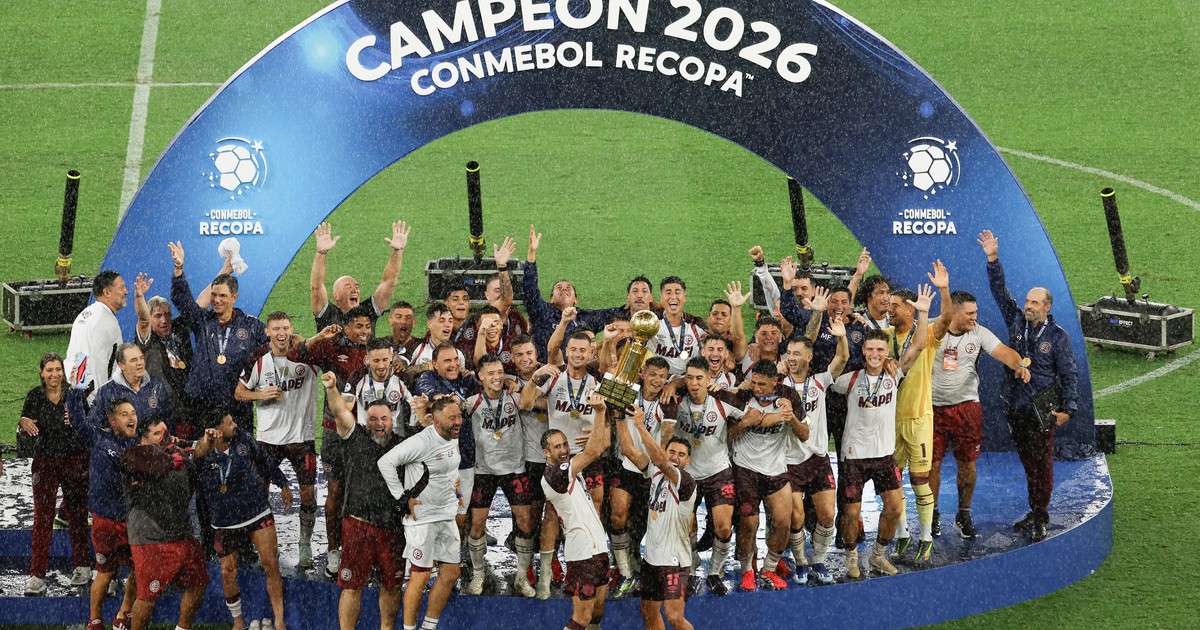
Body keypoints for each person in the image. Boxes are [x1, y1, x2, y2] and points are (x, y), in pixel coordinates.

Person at [979, 229, 1078, 541]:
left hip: (1041, 410)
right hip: (1016, 406)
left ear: (1047, 307)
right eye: (1027, 301)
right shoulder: (1017, 321)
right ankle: (1035, 510)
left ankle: (1041, 515)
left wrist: (1069, 409)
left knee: (1042, 464)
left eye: (1035, 302)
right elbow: (1000, 291)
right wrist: (993, 260)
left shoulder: (1058, 337)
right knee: (1028, 463)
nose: (1029, 306)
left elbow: (1069, 375)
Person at [830, 286, 932, 579]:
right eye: (870, 350)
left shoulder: (894, 373)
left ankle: (877, 555)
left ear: (887, 352)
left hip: (884, 455)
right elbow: (832, 370)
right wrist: (841, 338)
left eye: (880, 350)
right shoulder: (849, 380)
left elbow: (918, 345)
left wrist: (923, 313)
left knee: (895, 507)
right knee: (851, 513)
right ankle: (851, 557)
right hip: (854, 457)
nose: (875, 354)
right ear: (863, 351)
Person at [930, 290, 1030, 539]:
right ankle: (931, 514)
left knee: (968, 464)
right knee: (931, 465)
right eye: (970, 313)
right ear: (953, 313)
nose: (975, 317)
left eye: (976, 312)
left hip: (966, 408)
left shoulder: (979, 333)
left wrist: (1019, 364)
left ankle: (963, 514)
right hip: (930, 409)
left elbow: (1004, 352)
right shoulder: (932, 328)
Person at [286, 305, 374, 578]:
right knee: (335, 491)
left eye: (368, 326)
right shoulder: (331, 348)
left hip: (366, 433)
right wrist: (319, 337)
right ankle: (334, 550)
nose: (364, 331)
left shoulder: (375, 352)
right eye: (358, 326)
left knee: (365, 493)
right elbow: (294, 355)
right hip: (335, 432)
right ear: (346, 327)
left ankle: (360, 549)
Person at [322, 371, 411, 630]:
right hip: (358, 527)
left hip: (393, 529)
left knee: (392, 586)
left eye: (384, 418)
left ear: (392, 420)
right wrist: (331, 388)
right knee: (352, 587)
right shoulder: (355, 436)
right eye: (373, 419)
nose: (379, 424)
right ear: (365, 420)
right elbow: (339, 411)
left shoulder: (405, 446)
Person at [519, 331, 603, 598]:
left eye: (583, 350)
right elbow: (525, 402)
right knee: (553, 514)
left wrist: (599, 432)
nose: (578, 354)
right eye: (573, 349)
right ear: (566, 351)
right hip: (561, 457)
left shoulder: (599, 381)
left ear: (592, 353)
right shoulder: (553, 377)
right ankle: (546, 574)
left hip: (588, 455)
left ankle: (584, 565)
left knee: (593, 510)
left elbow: (612, 417)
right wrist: (534, 378)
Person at [236, 311, 321, 567]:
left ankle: (304, 545)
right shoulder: (258, 359)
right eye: (276, 329)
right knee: (260, 493)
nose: (281, 333)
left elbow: (327, 358)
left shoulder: (307, 356)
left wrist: (308, 340)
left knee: (308, 493)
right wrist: (260, 395)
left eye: (285, 328)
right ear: (267, 332)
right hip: (268, 439)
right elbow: (239, 392)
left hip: (301, 438)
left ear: (291, 329)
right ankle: (266, 546)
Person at [193, 410, 292, 630]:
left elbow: (264, 461)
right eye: (229, 423)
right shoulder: (204, 451)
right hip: (225, 520)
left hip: (256, 511)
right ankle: (238, 623)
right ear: (218, 430)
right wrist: (206, 442)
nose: (235, 425)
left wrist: (283, 483)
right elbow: (197, 454)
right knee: (228, 571)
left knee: (271, 563)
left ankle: (279, 621)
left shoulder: (243, 439)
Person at [662, 356, 751, 596]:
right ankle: (691, 570)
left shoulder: (723, 399)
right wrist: (673, 383)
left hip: (718, 471)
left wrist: (734, 430)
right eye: (689, 378)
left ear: (708, 378)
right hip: (687, 474)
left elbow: (751, 414)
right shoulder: (675, 400)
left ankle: (714, 572)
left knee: (723, 528)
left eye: (699, 378)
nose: (694, 383)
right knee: (685, 527)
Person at [885, 263, 954, 564]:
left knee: (919, 480)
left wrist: (944, 289)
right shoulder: (884, 337)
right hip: (889, 421)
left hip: (918, 418)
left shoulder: (925, 335)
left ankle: (925, 537)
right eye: (888, 305)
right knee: (892, 481)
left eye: (895, 306)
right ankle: (903, 534)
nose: (890, 310)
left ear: (910, 309)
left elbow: (947, 319)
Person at [378, 396, 464, 630]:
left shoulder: (452, 436)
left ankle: (428, 627)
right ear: (436, 421)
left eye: (459, 416)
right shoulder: (421, 442)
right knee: (421, 576)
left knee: (451, 573)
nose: (458, 421)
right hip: (422, 519)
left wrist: (457, 491)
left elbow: (449, 468)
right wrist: (401, 497)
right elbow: (385, 462)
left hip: (446, 515)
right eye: (452, 418)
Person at [66, 367, 140, 628]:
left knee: (139, 569)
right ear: (112, 420)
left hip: (132, 522)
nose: (132, 418)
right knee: (105, 572)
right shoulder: (97, 438)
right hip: (105, 522)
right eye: (125, 414)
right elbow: (77, 420)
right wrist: (75, 392)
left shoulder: (140, 445)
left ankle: (123, 614)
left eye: (133, 413)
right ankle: (95, 620)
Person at [780, 310, 849, 586]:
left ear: (809, 357)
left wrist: (841, 337)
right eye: (789, 353)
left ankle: (818, 560)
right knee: (795, 516)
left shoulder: (820, 380)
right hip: (788, 461)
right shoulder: (779, 385)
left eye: (797, 353)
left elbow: (842, 358)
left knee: (828, 514)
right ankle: (801, 562)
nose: (792, 358)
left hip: (818, 458)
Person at [119, 416, 208, 630]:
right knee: (147, 596)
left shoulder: (176, 452)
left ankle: (182, 628)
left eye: (165, 432)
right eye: (157, 434)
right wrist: (175, 456)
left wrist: (207, 441)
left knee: (199, 582)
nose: (164, 437)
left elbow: (198, 451)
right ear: (144, 439)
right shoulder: (135, 457)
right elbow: (151, 465)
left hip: (181, 534)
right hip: (151, 540)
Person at [168, 241, 268, 429]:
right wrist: (179, 269)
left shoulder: (251, 326)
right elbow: (182, 300)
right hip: (202, 407)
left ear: (234, 297)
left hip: (236, 407)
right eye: (214, 295)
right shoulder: (202, 321)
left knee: (241, 447)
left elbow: (276, 346)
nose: (216, 300)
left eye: (222, 296)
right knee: (203, 447)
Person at [615, 408, 696, 630]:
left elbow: (660, 460)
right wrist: (620, 418)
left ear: (688, 460)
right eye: (672, 452)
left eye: (681, 455)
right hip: (651, 560)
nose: (675, 457)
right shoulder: (655, 473)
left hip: (674, 562)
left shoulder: (686, 482)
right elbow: (629, 450)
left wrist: (640, 426)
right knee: (648, 611)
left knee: (674, 617)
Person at [463, 354, 537, 597]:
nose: (497, 377)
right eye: (491, 373)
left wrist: (521, 384)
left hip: (514, 468)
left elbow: (532, 402)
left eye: (500, 372)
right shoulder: (471, 403)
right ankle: (478, 574)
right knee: (477, 525)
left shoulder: (515, 397)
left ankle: (521, 577)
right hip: (483, 470)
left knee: (525, 521)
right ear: (480, 376)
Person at [541, 392, 613, 630]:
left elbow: (599, 445)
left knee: (598, 610)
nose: (563, 450)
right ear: (546, 453)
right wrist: (600, 412)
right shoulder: (555, 475)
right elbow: (593, 452)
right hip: (582, 554)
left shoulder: (570, 468)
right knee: (581, 618)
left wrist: (602, 424)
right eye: (556, 447)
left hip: (598, 548)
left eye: (564, 444)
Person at [20, 353, 91, 595]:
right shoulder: (34, 396)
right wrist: (23, 422)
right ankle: (36, 575)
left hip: (75, 460)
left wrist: (78, 420)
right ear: (41, 373)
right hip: (45, 463)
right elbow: (25, 422)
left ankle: (82, 567)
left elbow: (88, 425)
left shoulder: (75, 395)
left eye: (58, 369)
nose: (54, 374)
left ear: (64, 372)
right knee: (43, 518)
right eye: (49, 370)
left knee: (78, 514)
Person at [608, 355, 675, 598]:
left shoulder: (668, 402)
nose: (657, 380)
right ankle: (625, 573)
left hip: (651, 471)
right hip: (624, 464)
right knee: (617, 517)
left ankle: (634, 555)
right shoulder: (628, 392)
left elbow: (665, 442)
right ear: (643, 373)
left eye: (662, 377)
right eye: (653, 374)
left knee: (643, 522)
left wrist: (654, 467)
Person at [727, 360, 797, 592]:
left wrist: (790, 417)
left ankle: (769, 568)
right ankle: (747, 569)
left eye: (762, 384)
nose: (756, 388)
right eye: (754, 382)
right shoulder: (742, 397)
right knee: (749, 522)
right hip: (745, 469)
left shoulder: (789, 397)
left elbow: (805, 434)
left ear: (774, 382)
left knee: (783, 522)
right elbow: (727, 435)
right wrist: (746, 423)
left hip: (776, 469)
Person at [415, 342, 482, 533]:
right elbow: (430, 392)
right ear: (434, 364)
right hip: (439, 461)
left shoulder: (467, 380)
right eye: (447, 361)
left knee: (460, 512)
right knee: (435, 514)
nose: (453, 365)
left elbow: (487, 386)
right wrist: (446, 400)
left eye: (455, 359)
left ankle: (455, 549)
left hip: (465, 456)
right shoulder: (427, 378)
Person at [309, 220, 409, 331]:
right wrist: (321, 253)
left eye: (357, 287)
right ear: (336, 295)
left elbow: (389, 282)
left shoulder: (368, 310)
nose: (355, 290)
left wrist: (398, 251)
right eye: (348, 286)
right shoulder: (328, 314)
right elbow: (316, 286)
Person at [133, 273, 198, 437]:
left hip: (187, 410)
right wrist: (139, 297)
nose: (164, 320)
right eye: (157, 316)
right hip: (160, 413)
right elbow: (143, 319)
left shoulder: (178, 330)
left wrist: (225, 269)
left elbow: (200, 304)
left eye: (167, 314)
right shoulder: (147, 340)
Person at [65, 269, 127, 400]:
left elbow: (79, 355)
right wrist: (101, 401)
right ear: (107, 292)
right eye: (121, 288)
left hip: (75, 388)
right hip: (91, 396)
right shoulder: (105, 321)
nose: (126, 291)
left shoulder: (86, 314)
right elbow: (97, 363)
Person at [90, 344, 173, 435]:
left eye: (141, 358)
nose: (140, 363)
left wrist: (168, 438)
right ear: (121, 365)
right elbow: (95, 426)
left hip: (153, 443)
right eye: (133, 360)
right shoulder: (107, 391)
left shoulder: (156, 385)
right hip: (122, 444)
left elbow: (168, 420)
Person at [645, 276, 706, 375]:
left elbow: (713, 346)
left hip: (690, 380)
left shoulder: (697, 324)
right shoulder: (651, 324)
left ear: (685, 297)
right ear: (661, 298)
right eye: (668, 293)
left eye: (677, 292)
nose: (673, 297)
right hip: (659, 380)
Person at [387, 300, 418, 366]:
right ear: (390, 321)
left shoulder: (420, 346)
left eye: (408, 317)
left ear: (414, 322)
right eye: (398, 317)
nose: (403, 321)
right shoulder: (382, 344)